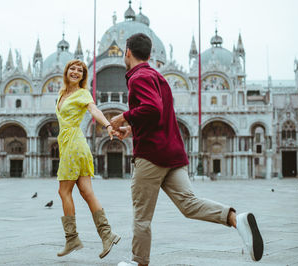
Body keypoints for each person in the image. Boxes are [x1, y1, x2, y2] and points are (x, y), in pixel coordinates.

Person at [111, 33, 263, 266]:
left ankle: (138, 262)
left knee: (141, 217)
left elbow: (151, 109)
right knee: (189, 205)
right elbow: (158, 116)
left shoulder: (138, 77)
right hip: (173, 154)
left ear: (127, 52)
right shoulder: (158, 78)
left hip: (151, 156)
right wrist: (132, 128)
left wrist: (124, 115)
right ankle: (235, 219)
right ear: (150, 55)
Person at [56, 59, 120, 259]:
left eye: (80, 71)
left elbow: (94, 110)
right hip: (73, 144)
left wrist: (108, 125)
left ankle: (72, 238)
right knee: (86, 191)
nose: (75, 72)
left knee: (63, 191)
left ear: (84, 77)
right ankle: (107, 234)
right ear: (66, 72)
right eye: (72, 68)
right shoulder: (62, 94)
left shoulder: (82, 94)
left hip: (74, 145)